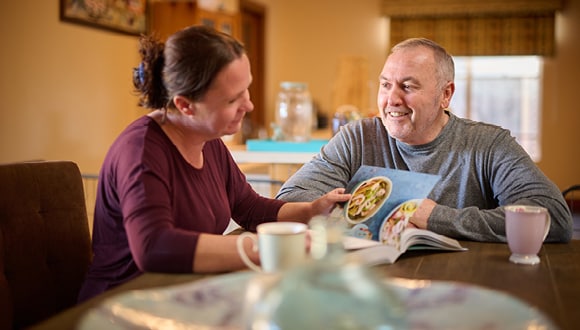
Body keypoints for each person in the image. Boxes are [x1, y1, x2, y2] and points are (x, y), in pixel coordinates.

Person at [78, 25, 350, 302]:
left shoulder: (208, 140)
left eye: (247, 89)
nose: (250, 105)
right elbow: (154, 246)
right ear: (185, 105)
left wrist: (313, 210)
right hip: (123, 303)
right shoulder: (140, 151)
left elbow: (249, 208)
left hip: (183, 294)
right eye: (233, 99)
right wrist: (264, 248)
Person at [276, 37, 573, 243]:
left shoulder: (489, 144)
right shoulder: (358, 137)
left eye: (407, 86)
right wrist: (374, 209)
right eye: (385, 85)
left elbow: (554, 218)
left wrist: (436, 218)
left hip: (465, 283)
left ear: (445, 94)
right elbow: (290, 199)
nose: (391, 99)